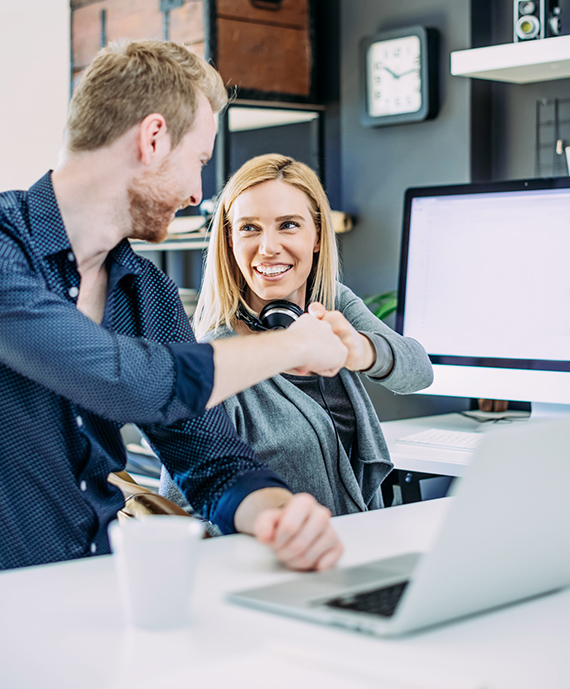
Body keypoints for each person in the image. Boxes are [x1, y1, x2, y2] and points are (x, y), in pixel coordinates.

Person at [0, 41, 348, 572]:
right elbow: (133, 380)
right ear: (154, 139)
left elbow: (212, 463)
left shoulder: (148, 292)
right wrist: (294, 343)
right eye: (200, 161)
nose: (196, 193)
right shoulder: (5, 247)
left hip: (96, 586)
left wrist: (278, 515)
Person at [161, 154, 433, 516]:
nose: (268, 246)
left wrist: (360, 349)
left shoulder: (332, 302)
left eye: (288, 224)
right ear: (229, 240)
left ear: (317, 236)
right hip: (283, 558)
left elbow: (420, 371)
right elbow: (180, 508)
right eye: (249, 227)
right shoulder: (220, 357)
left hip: (360, 541)